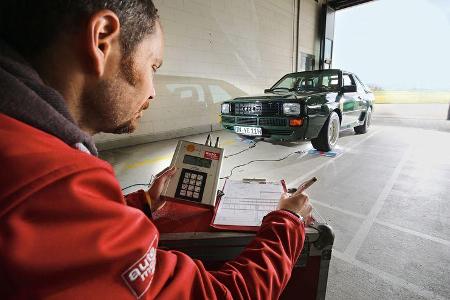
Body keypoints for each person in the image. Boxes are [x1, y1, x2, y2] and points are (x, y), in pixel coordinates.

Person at [0, 1, 313, 299]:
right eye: (153, 66)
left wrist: (143, 203)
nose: (152, 92)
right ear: (101, 40)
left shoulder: (19, 143)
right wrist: (288, 221)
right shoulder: (53, 186)